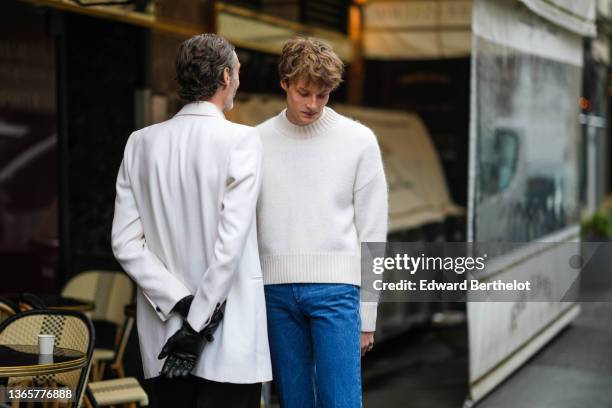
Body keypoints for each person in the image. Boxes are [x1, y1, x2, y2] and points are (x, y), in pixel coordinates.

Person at [111, 33, 271, 408]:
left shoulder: (140, 143)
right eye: (238, 72)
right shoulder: (242, 141)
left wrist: (179, 300)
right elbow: (229, 247)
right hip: (228, 341)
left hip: (164, 338)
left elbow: (124, 243)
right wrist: (198, 322)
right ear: (226, 78)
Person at [256, 37, 388, 407]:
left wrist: (368, 314)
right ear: (284, 83)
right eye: (303, 93)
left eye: (323, 94)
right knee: (294, 402)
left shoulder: (359, 140)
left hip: (337, 292)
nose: (313, 104)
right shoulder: (255, 141)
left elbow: (373, 231)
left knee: (341, 401)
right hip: (275, 292)